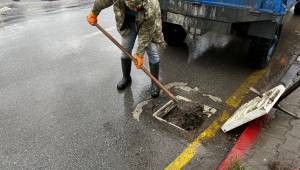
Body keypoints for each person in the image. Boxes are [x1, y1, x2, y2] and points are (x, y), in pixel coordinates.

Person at [87, 0, 165, 98]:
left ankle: (155, 83)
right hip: (128, 22)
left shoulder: (151, 4)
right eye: (134, 7)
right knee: (125, 51)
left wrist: (139, 55)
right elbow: (103, 1)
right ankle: (126, 78)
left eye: (138, 7)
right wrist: (94, 12)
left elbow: (146, 33)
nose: (136, 9)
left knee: (153, 53)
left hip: (148, 23)